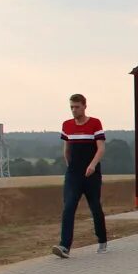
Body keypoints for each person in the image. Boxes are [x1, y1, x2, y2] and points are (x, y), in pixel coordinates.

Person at [52, 93, 108, 258]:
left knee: (95, 207)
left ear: (84, 106)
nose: (74, 110)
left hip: (91, 173)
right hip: (73, 174)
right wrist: (70, 167)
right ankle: (64, 246)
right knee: (68, 207)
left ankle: (102, 239)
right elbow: (66, 149)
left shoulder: (95, 123)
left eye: (76, 107)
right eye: (71, 107)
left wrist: (92, 165)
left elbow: (101, 148)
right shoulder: (67, 125)